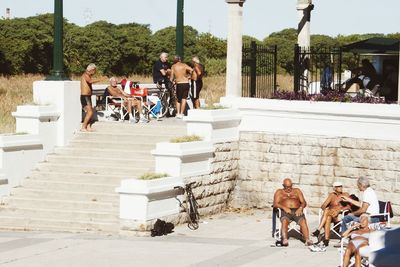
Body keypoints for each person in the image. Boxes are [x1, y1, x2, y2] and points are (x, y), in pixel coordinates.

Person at [273, 178, 313, 246]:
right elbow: (275, 204)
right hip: (285, 211)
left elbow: (303, 202)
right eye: (287, 187)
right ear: (283, 185)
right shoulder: (279, 192)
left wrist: (300, 208)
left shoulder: (297, 191)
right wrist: (284, 207)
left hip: (297, 210)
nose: (289, 189)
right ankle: (285, 239)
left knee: (303, 221)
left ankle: (307, 240)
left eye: (290, 186)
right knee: (284, 221)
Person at [311, 181, 350, 246]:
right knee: (327, 216)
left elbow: (349, 206)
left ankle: (318, 230)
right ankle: (326, 240)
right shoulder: (332, 195)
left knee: (327, 212)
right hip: (331, 215)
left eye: (341, 186)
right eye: (338, 187)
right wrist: (327, 207)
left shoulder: (345, 195)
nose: (340, 188)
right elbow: (323, 206)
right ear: (334, 188)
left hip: (339, 216)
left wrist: (339, 210)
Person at [80, 63, 101, 132]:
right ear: (92, 70)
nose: (95, 72)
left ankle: (88, 126)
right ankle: (83, 127)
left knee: (89, 112)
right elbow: (90, 81)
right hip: (85, 96)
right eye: (94, 70)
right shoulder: (85, 75)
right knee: (90, 112)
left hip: (88, 96)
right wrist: (100, 79)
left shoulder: (88, 75)